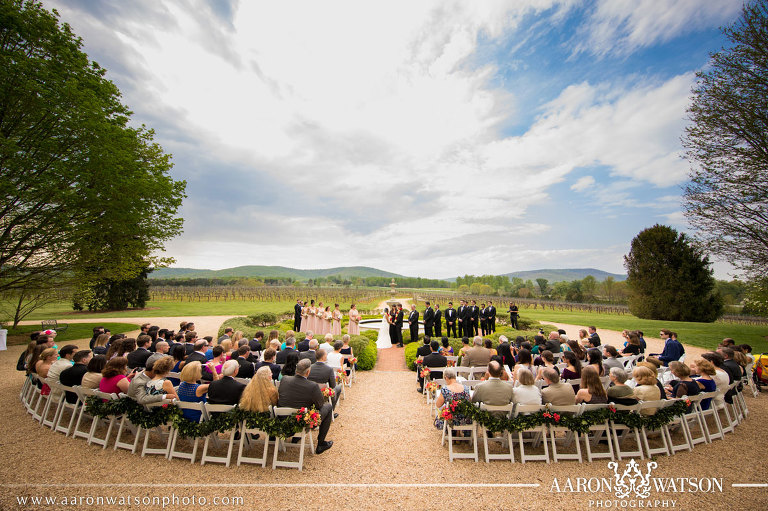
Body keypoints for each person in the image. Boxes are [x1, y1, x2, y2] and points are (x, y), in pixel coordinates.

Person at [278, 359, 334, 454]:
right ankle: (321, 444)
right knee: (328, 407)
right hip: (301, 422)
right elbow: (320, 405)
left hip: (281, 421)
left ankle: (297, 438)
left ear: (296, 370)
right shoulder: (312, 386)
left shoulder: (285, 379)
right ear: (308, 372)